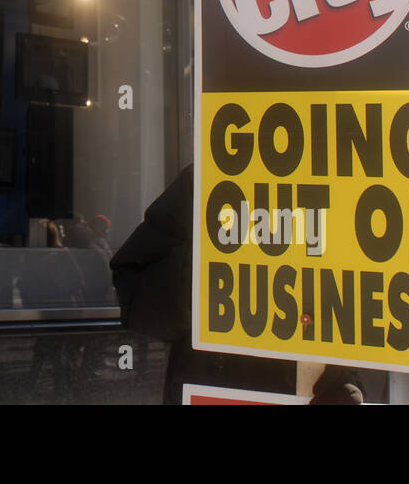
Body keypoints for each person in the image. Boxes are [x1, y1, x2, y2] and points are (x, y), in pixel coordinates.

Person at [110, 164, 294, 404]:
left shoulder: (336, 171)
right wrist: (205, 276)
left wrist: (344, 378)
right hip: (212, 382)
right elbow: (132, 283)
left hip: (299, 386)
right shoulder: (207, 177)